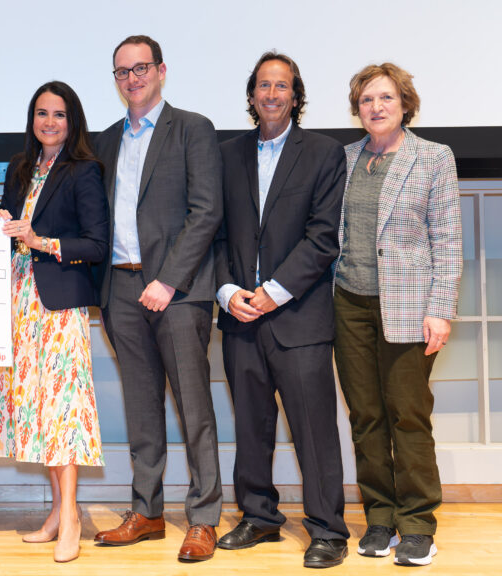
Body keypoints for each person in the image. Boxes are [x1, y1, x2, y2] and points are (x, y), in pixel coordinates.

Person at [213, 52, 349, 568]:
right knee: (250, 426)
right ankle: (259, 518)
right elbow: (215, 234)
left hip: (299, 318)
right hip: (239, 316)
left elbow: (322, 238)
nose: (272, 94)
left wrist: (273, 290)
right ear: (251, 95)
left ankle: (327, 530)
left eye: (282, 86)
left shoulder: (323, 153)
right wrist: (228, 292)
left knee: (313, 428)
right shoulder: (226, 155)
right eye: (263, 85)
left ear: (296, 95)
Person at [92, 35, 224, 562]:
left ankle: (203, 518)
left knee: (194, 407)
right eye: (122, 71)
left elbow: (206, 211)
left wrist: (167, 279)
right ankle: (146, 512)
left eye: (140, 67)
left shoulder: (192, 129)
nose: (132, 78)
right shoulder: (103, 141)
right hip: (120, 289)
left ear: (161, 71)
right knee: (141, 407)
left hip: (179, 291)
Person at [334, 62, 461, 567]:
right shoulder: (344, 158)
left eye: (386, 98)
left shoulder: (433, 157)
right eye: (367, 100)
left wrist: (441, 310)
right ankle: (380, 519)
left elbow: (447, 240)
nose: (376, 107)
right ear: (357, 109)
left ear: (404, 103)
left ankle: (417, 525)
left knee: (408, 416)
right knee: (365, 417)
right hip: (348, 303)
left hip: (409, 307)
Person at [0, 81, 109, 563]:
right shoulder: (20, 168)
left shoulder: (84, 171)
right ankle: (58, 513)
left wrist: (42, 241)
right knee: (38, 412)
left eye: (59, 115)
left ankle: (73, 518)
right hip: (19, 302)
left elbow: (96, 244)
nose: (50, 122)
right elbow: (10, 232)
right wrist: (1, 222)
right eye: (42, 113)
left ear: (72, 121)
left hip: (59, 307)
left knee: (62, 412)